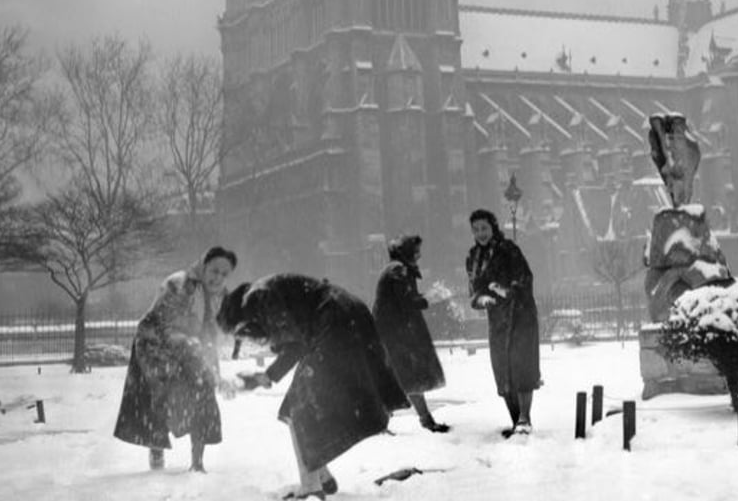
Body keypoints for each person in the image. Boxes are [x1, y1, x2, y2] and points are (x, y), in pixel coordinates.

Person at [219, 274, 410, 500]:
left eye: (241, 334)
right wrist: (266, 377)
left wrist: (268, 372)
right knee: (294, 408)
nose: (248, 339)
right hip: (349, 316)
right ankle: (320, 478)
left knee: (298, 409)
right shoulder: (265, 295)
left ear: (242, 322)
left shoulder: (260, 298)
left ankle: (311, 488)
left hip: (335, 323)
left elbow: (297, 342)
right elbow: (297, 342)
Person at [114, 246, 238, 472]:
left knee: (204, 390)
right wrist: (195, 351)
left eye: (224, 274)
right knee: (160, 398)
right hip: (155, 346)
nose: (218, 277)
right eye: (214, 270)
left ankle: (197, 463)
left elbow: (210, 336)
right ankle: (156, 449)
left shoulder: (221, 296)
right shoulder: (179, 284)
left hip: (190, 347)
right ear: (203, 265)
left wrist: (215, 373)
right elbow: (165, 327)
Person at [466, 208, 541, 437]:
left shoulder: (508, 250)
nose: (481, 233)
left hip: (520, 316)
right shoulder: (473, 258)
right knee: (503, 369)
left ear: (493, 227)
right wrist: (482, 299)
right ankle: (514, 419)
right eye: (476, 229)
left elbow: (525, 277)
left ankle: (525, 418)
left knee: (522, 367)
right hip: (497, 320)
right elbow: (474, 291)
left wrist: (507, 290)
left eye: (485, 228)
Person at [372, 234, 449, 433]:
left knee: (405, 377)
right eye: (416, 252)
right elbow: (406, 302)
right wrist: (430, 299)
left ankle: (421, 420)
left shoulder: (396, 269)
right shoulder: (399, 270)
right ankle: (384, 423)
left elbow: (404, 299)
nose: (419, 256)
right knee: (402, 376)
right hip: (394, 334)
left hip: (393, 332)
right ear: (408, 252)